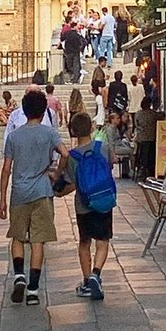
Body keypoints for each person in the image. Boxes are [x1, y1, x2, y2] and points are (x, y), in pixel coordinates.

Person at [0, 89, 69, 307]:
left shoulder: (14, 136)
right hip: (42, 192)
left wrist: (2, 198)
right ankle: (33, 289)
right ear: (43, 110)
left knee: (18, 237)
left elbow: (6, 168)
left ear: (24, 110)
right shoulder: (49, 133)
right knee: (38, 240)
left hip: (19, 191)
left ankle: (19, 275)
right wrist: (56, 174)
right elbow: (65, 154)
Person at [54, 111, 114, 300]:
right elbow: (111, 165)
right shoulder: (103, 147)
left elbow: (71, 183)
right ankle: (97, 273)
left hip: (84, 205)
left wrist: (57, 191)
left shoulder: (72, 156)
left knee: (84, 243)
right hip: (104, 201)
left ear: (72, 131)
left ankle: (87, 281)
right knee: (103, 241)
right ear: (91, 127)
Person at [133, 96, 159, 181]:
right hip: (152, 139)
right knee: (151, 155)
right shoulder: (154, 114)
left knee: (142, 155)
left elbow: (136, 125)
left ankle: (141, 170)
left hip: (141, 139)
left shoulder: (138, 114)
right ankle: (150, 171)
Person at [106, 110, 134, 178]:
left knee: (129, 147)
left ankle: (126, 171)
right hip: (115, 147)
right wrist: (113, 155)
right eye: (117, 118)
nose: (119, 120)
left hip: (119, 144)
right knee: (131, 151)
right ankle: (132, 170)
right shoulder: (110, 129)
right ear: (112, 120)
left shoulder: (116, 128)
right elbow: (111, 143)